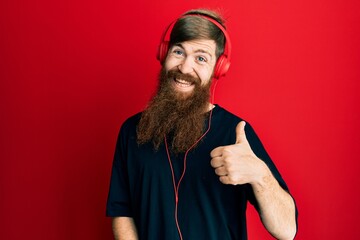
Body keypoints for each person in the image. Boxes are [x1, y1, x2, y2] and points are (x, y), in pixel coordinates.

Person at [106, 8, 297, 240]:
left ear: (218, 68)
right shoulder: (131, 131)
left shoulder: (235, 134)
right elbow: (122, 211)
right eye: (178, 52)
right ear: (164, 54)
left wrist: (259, 174)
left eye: (201, 58)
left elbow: (287, 231)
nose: (185, 68)